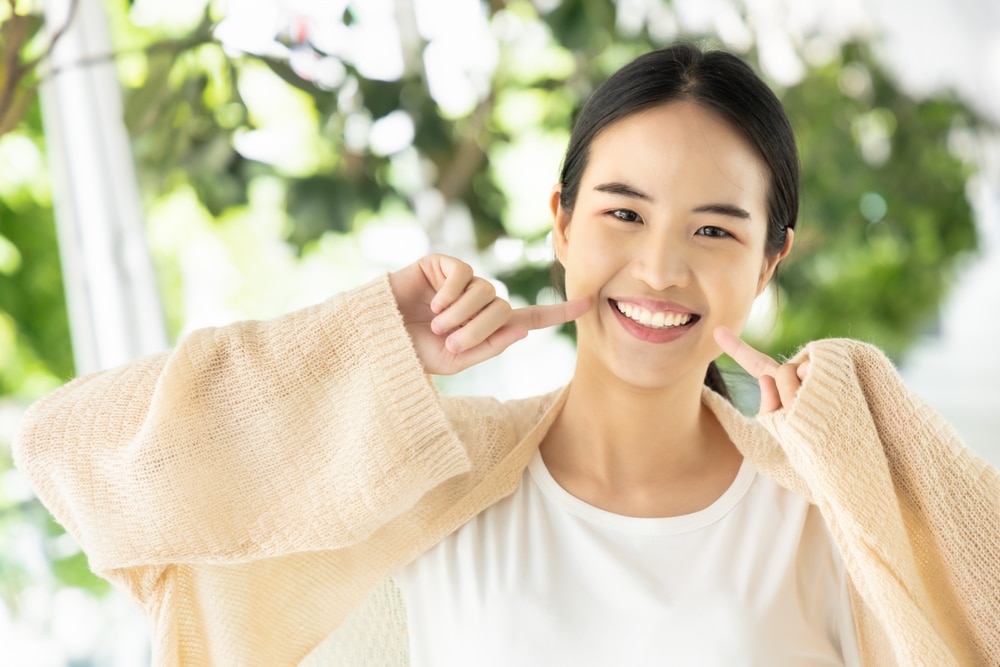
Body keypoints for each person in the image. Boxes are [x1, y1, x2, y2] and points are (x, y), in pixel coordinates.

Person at [12, 44, 999, 667]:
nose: (660, 268)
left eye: (713, 230)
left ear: (769, 260)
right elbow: (68, 450)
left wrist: (861, 440)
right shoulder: (437, 482)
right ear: (561, 222)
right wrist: (369, 343)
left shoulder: (830, 510)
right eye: (622, 213)